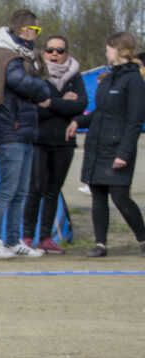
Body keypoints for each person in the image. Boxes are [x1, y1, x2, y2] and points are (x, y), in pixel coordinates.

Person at [66, 32, 145, 258]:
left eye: (109, 48)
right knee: (97, 195)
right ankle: (100, 244)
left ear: (119, 50)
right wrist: (78, 121)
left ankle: (142, 238)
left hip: (117, 147)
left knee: (120, 197)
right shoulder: (107, 77)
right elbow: (101, 113)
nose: (106, 52)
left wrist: (124, 152)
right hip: (97, 145)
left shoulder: (135, 80)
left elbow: (135, 121)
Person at [0, 10, 51, 260]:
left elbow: (35, 86)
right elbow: (28, 84)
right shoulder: (6, 56)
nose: (36, 35)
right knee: (7, 190)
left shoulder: (23, 56)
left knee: (20, 191)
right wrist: (44, 89)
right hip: (10, 131)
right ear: (26, 30)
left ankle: (13, 240)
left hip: (24, 132)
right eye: (36, 30)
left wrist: (41, 88)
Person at [22, 35, 87, 254]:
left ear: (67, 53)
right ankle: (27, 237)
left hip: (64, 142)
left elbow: (80, 105)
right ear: (44, 52)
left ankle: (46, 237)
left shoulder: (74, 76)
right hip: (39, 140)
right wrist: (62, 103)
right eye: (50, 50)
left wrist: (50, 102)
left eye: (60, 50)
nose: (55, 54)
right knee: (35, 189)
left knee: (53, 191)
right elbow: (33, 109)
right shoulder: (35, 74)